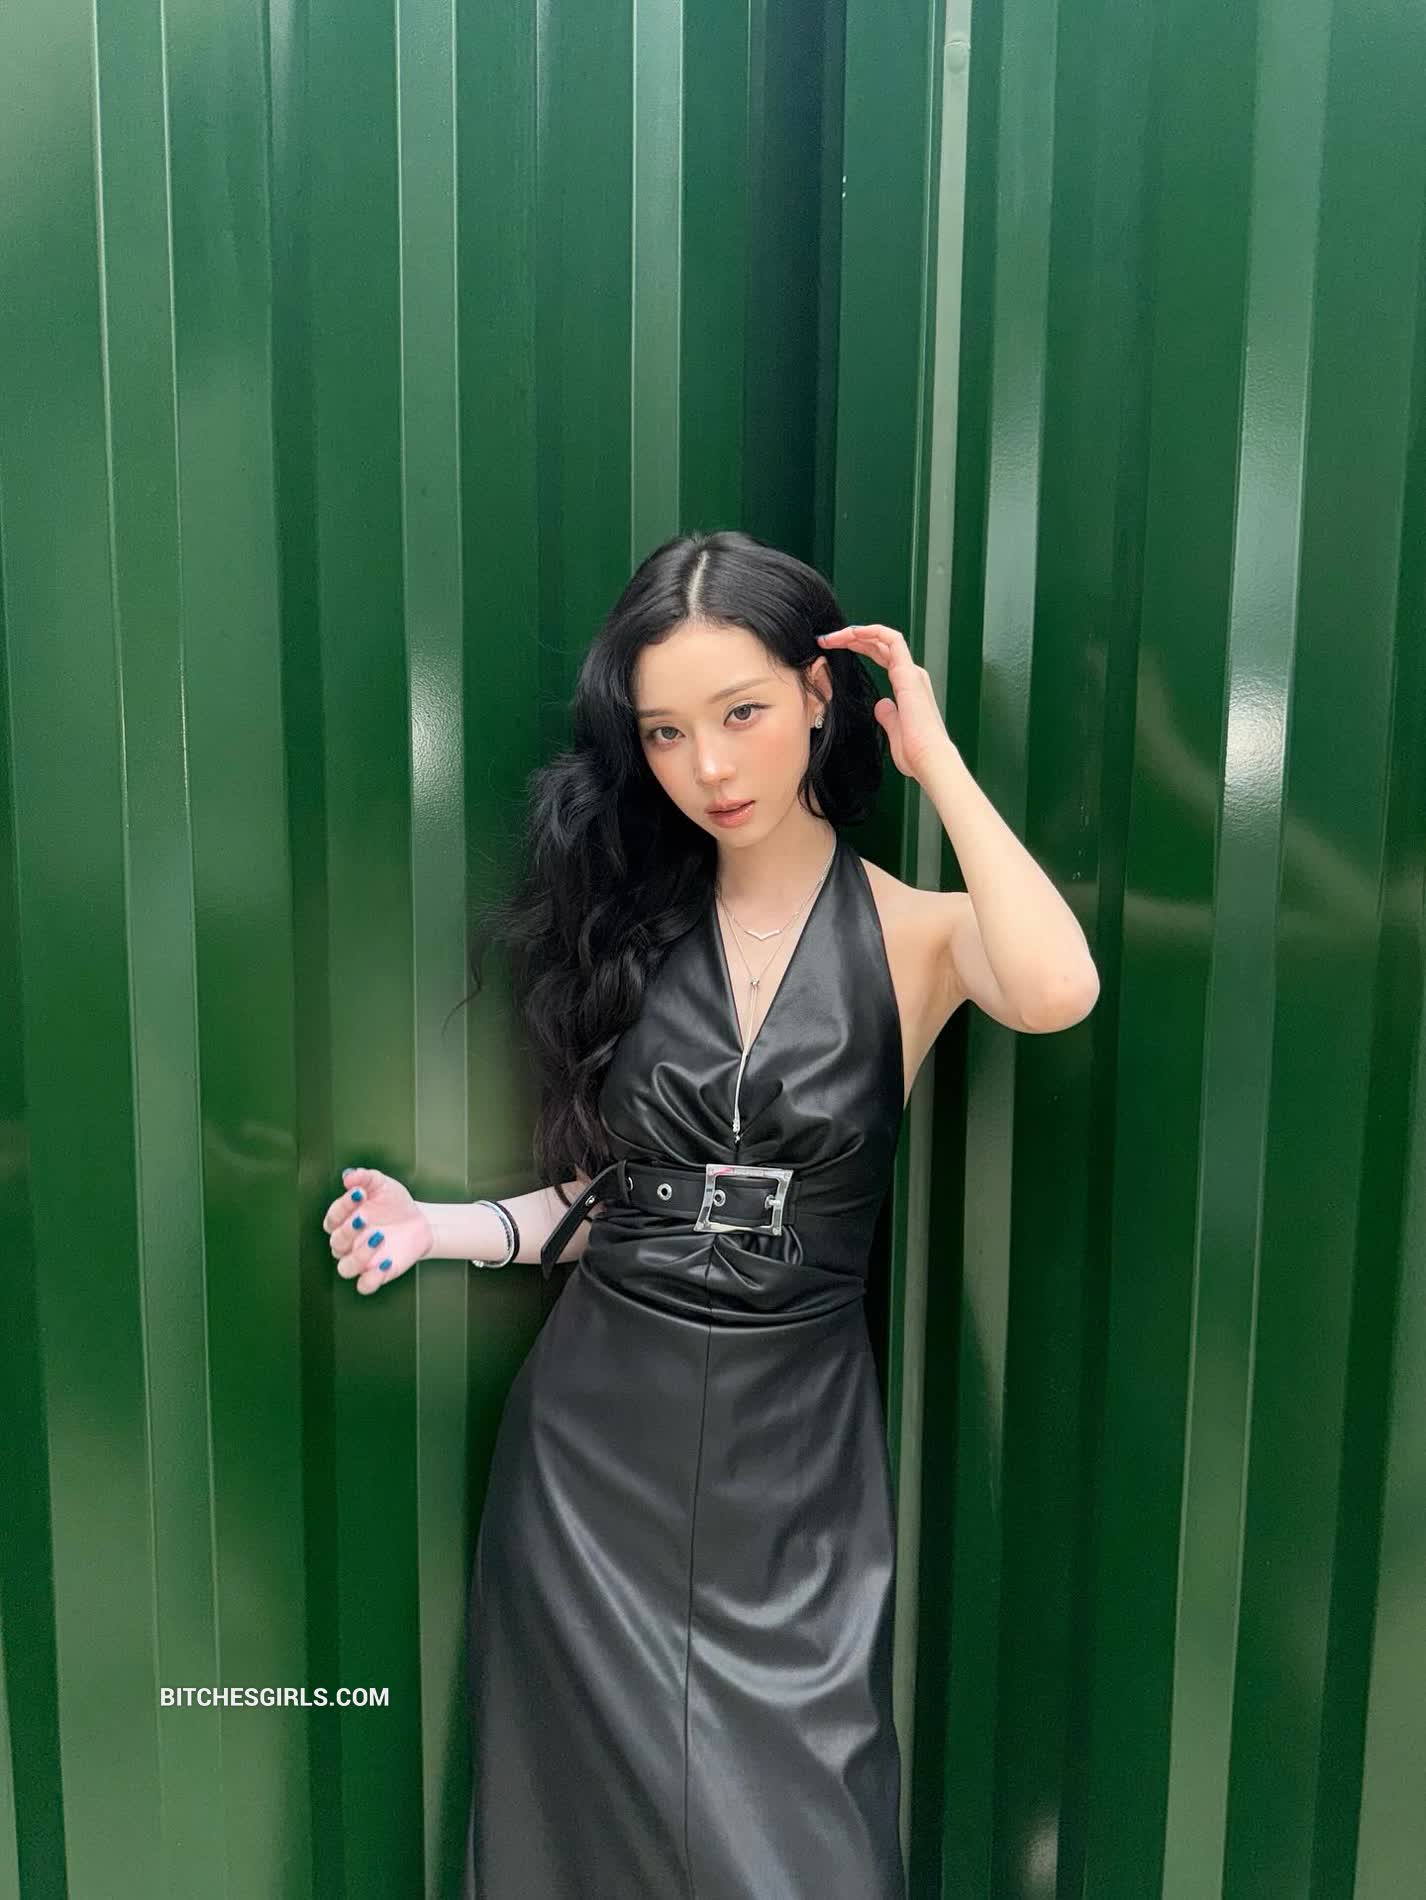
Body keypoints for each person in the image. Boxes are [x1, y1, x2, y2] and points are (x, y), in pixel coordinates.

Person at [321, 529, 1099, 1897]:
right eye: (667, 733)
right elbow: (619, 1199)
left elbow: (1054, 990)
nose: (710, 768)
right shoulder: (629, 929)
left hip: (789, 1464)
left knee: (800, 1846)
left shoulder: (915, 932)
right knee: (578, 1846)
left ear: (818, 694)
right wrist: (438, 1228)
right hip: (594, 1452)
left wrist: (936, 762)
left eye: (741, 713)